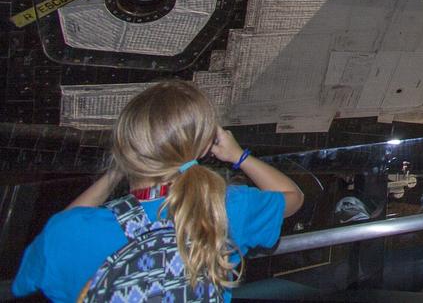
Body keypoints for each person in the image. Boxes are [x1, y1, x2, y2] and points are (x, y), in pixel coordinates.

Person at [12, 79, 303, 303]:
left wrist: (116, 170)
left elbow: (31, 275)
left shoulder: (69, 232)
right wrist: (238, 156)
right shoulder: (225, 207)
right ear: (203, 148)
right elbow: (293, 197)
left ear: (125, 149)